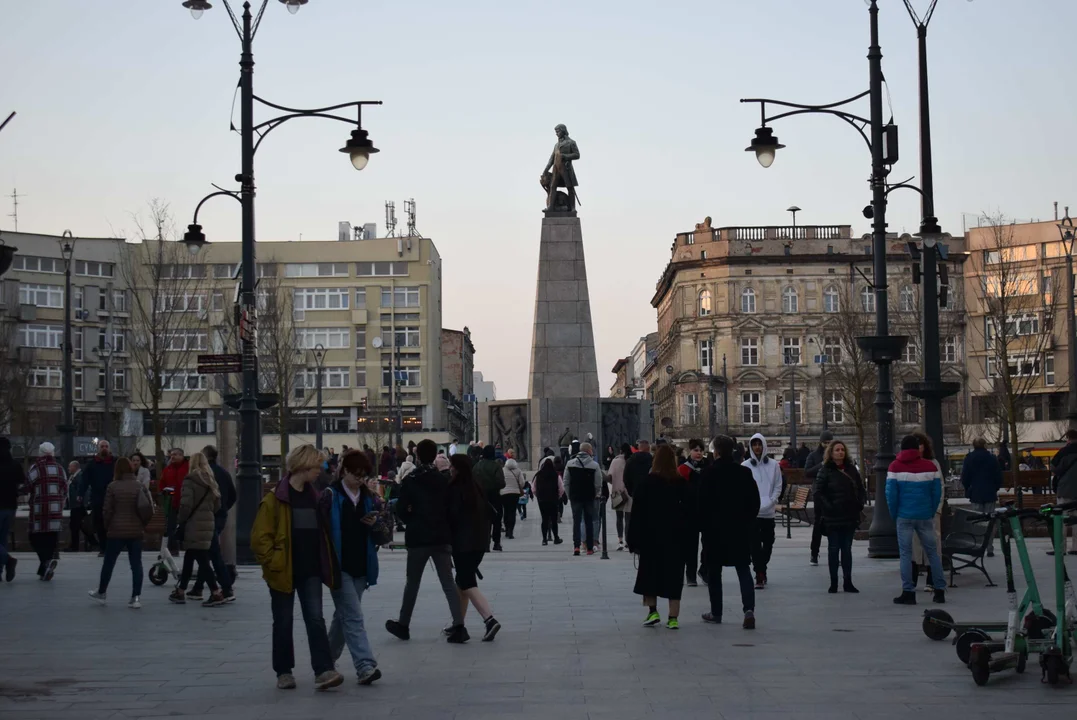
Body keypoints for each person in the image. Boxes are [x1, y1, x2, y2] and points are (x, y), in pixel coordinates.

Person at [251, 444, 345, 691]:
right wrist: (273, 563)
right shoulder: (275, 499)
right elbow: (260, 538)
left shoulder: (316, 497)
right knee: (283, 621)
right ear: (304, 466)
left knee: (315, 619)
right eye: (317, 466)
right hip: (283, 570)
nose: (320, 471)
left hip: (311, 570)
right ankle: (284, 672)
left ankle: (324, 670)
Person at [385, 439, 468, 643]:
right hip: (441, 536)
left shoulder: (411, 480)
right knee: (448, 582)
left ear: (419, 456)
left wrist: (412, 517)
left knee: (412, 583)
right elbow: (452, 507)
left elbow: (402, 508)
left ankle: (403, 624)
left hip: (418, 537)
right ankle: (459, 625)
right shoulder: (444, 480)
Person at [320, 450, 383, 685]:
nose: (360, 479)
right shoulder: (331, 496)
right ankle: (365, 665)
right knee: (354, 616)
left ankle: (325, 662)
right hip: (339, 566)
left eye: (363, 475)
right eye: (356, 475)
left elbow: (384, 532)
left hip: (362, 565)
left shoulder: (368, 497)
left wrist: (375, 524)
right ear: (344, 471)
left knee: (343, 616)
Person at [627, 444, 691, 629]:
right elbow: (689, 513)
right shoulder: (681, 484)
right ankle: (673, 617)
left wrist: (634, 540)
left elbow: (637, 514)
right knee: (674, 577)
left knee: (649, 575)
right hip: (675, 538)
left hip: (651, 538)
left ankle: (652, 611)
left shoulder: (646, 483)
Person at [699, 436, 760, 629]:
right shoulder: (744, 473)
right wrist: (747, 521)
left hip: (714, 531)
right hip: (739, 530)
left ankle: (716, 612)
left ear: (716, 452)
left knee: (714, 572)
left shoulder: (708, 473)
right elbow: (754, 502)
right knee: (743, 569)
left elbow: (700, 504)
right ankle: (748, 610)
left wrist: (703, 525)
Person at [447, 454, 501, 641]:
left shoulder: (455, 488)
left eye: (452, 466)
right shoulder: (476, 486)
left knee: (467, 581)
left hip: (463, 544)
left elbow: (451, 517)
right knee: (462, 582)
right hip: (479, 542)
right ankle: (458, 625)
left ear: (458, 468)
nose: (450, 469)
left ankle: (489, 619)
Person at [888, 434, 946, 605]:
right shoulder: (930, 466)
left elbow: (890, 494)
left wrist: (895, 514)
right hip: (925, 515)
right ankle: (940, 590)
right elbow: (936, 492)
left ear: (902, 448)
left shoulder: (894, 466)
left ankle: (908, 591)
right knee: (933, 553)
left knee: (906, 554)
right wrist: (930, 510)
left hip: (904, 516)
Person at [88, 457, 154, 608]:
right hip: (135, 531)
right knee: (136, 564)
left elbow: (107, 510)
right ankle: (135, 597)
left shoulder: (113, 486)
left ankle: (102, 592)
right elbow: (147, 508)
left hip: (116, 531)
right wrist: (142, 524)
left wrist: (108, 526)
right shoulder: (139, 486)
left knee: (109, 563)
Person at [168, 452, 225, 607]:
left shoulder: (190, 480)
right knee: (191, 555)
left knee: (201, 559)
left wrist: (181, 520)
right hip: (208, 524)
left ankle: (216, 592)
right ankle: (180, 590)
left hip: (194, 524)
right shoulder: (211, 480)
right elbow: (217, 505)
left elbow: (186, 505)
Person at [812, 440, 866, 594]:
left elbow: (861, 488)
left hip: (849, 516)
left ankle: (848, 581)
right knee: (834, 549)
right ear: (831, 452)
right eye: (837, 450)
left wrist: (859, 504)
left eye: (842, 449)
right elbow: (818, 492)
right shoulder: (825, 470)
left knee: (847, 550)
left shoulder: (851, 470)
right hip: (832, 517)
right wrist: (828, 507)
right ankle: (834, 582)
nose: (840, 452)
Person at [188, 445, 237, 602]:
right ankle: (198, 587)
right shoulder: (224, 473)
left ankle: (225, 588)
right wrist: (223, 509)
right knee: (206, 554)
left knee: (211, 554)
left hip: (204, 519)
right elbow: (233, 496)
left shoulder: (202, 475)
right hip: (219, 517)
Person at [743, 433, 782, 590]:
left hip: (769, 511)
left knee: (768, 543)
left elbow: (778, 485)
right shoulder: (745, 466)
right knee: (754, 545)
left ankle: (761, 567)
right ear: (751, 447)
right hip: (753, 513)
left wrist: (772, 500)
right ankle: (759, 573)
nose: (757, 447)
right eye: (754, 444)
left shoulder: (774, 465)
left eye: (760, 444)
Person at [25, 442, 68, 581]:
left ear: (40, 453)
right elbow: (65, 488)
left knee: (34, 537)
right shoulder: (60, 468)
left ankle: (45, 562)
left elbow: (27, 486)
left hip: (40, 508)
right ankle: (45, 568)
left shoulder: (35, 468)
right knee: (51, 539)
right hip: (55, 508)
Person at [910, 431, 945, 590]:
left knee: (933, 545)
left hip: (930, 511)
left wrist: (937, 509)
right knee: (914, 545)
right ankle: (913, 579)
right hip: (914, 511)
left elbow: (940, 487)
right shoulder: (907, 463)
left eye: (920, 445)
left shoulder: (933, 463)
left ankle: (932, 580)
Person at [961, 437, 1003, 558]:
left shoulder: (969, 458)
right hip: (989, 492)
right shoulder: (991, 458)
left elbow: (965, 477)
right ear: (985, 445)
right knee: (990, 521)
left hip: (976, 493)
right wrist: (995, 487)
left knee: (977, 522)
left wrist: (968, 488)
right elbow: (998, 476)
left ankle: (977, 546)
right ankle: (989, 547)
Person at [565, 442, 604, 556]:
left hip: (575, 497)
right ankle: (590, 548)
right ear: (588, 451)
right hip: (589, 497)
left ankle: (576, 546)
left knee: (576, 522)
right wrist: (596, 493)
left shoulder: (570, 464)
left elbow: (566, 482)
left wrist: (569, 495)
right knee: (589, 521)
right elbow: (598, 483)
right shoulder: (594, 465)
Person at [79, 440, 116, 554]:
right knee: (99, 523)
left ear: (109, 448)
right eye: (102, 446)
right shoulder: (92, 464)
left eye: (106, 446)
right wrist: (80, 493)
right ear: (98, 449)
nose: (104, 448)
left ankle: (112, 546)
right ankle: (103, 547)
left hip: (113, 498)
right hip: (98, 497)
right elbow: (85, 480)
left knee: (112, 523)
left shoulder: (115, 462)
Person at [677, 439, 705, 586]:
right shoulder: (683, 469)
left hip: (706, 512)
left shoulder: (708, 467)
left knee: (708, 545)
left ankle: (705, 570)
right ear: (690, 451)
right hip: (689, 513)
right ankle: (691, 575)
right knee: (691, 546)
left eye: (701, 450)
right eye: (696, 450)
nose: (698, 453)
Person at [803, 431, 833, 565]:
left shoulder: (835, 454)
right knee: (818, 523)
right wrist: (821, 464)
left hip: (833, 492)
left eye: (829, 443)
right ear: (821, 442)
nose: (827, 445)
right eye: (825, 443)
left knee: (834, 524)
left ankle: (834, 554)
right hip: (819, 493)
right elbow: (807, 472)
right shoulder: (814, 455)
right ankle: (814, 553)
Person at [0, 437, 25, 581]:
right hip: (10, 506)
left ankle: (8, 560)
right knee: (3, 539)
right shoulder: (15, 465)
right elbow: (22, 483)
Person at [1049, 429, 1077, 555]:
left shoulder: (1064, 452)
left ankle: (1061, 548)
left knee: (1061, 518)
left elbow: (1054, 467)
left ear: (1068, 438)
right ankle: (1076, 547)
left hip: (1065, 489)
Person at [473, 445, 505, 552]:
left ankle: (485, 543)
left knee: (483, 521)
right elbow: (501, 482)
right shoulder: (496, 466)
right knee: (496, 520)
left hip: (480, 497)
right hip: (494, 496)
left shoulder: (477, 466)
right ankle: (496, 543)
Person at [158, 448, 188, 555]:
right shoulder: (168, 469)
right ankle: (173, 548)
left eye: (175, 455)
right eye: (171, 455)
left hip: (186, 503)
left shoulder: (188, 468)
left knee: (186, 525)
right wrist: (164, 492)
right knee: (170, 526)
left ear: (182, 455)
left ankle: (186, 546)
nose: (172, 457)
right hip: (171, 503)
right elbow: (162, 483)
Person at [532, 455, 564, 545]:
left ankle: (544, 539)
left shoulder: (538, 475)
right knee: (554, 519)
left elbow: (533, 488)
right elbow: (561, 488)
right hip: (553, 499)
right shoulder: (556, 475)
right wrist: (558, 496)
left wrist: (538, 496)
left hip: (542, 500)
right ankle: (556, 538)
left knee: (544, 519)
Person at [608, 443, 632, 550]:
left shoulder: (615, 461)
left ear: (620, 451)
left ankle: (620, 540)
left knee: (619, 518)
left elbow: (610, 476)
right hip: (629, 493)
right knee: (628, 518)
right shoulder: (631, 461)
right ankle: (628, 539)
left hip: (617, 492)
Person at [500, 457, 526, 540]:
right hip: (515, 494)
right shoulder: (518, 471)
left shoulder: (502, 470)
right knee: (512, 511)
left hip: (504, 494)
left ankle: (507, 529)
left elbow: (500, 481)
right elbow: (522, 483)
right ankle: (511, 531)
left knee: (506, 511)